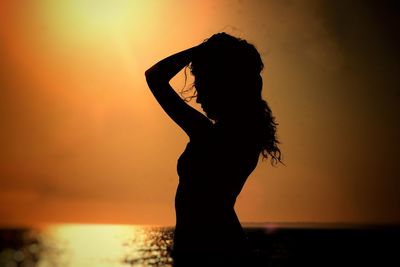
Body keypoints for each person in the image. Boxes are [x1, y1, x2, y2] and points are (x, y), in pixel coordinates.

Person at [145, 32, 281, 266]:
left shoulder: (209, 134)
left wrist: (198, 50)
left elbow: (155, 76)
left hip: (210, 252)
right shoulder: (245, 135)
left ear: (222, 85)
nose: (197, 98)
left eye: (202, 85)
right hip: (218, 247)